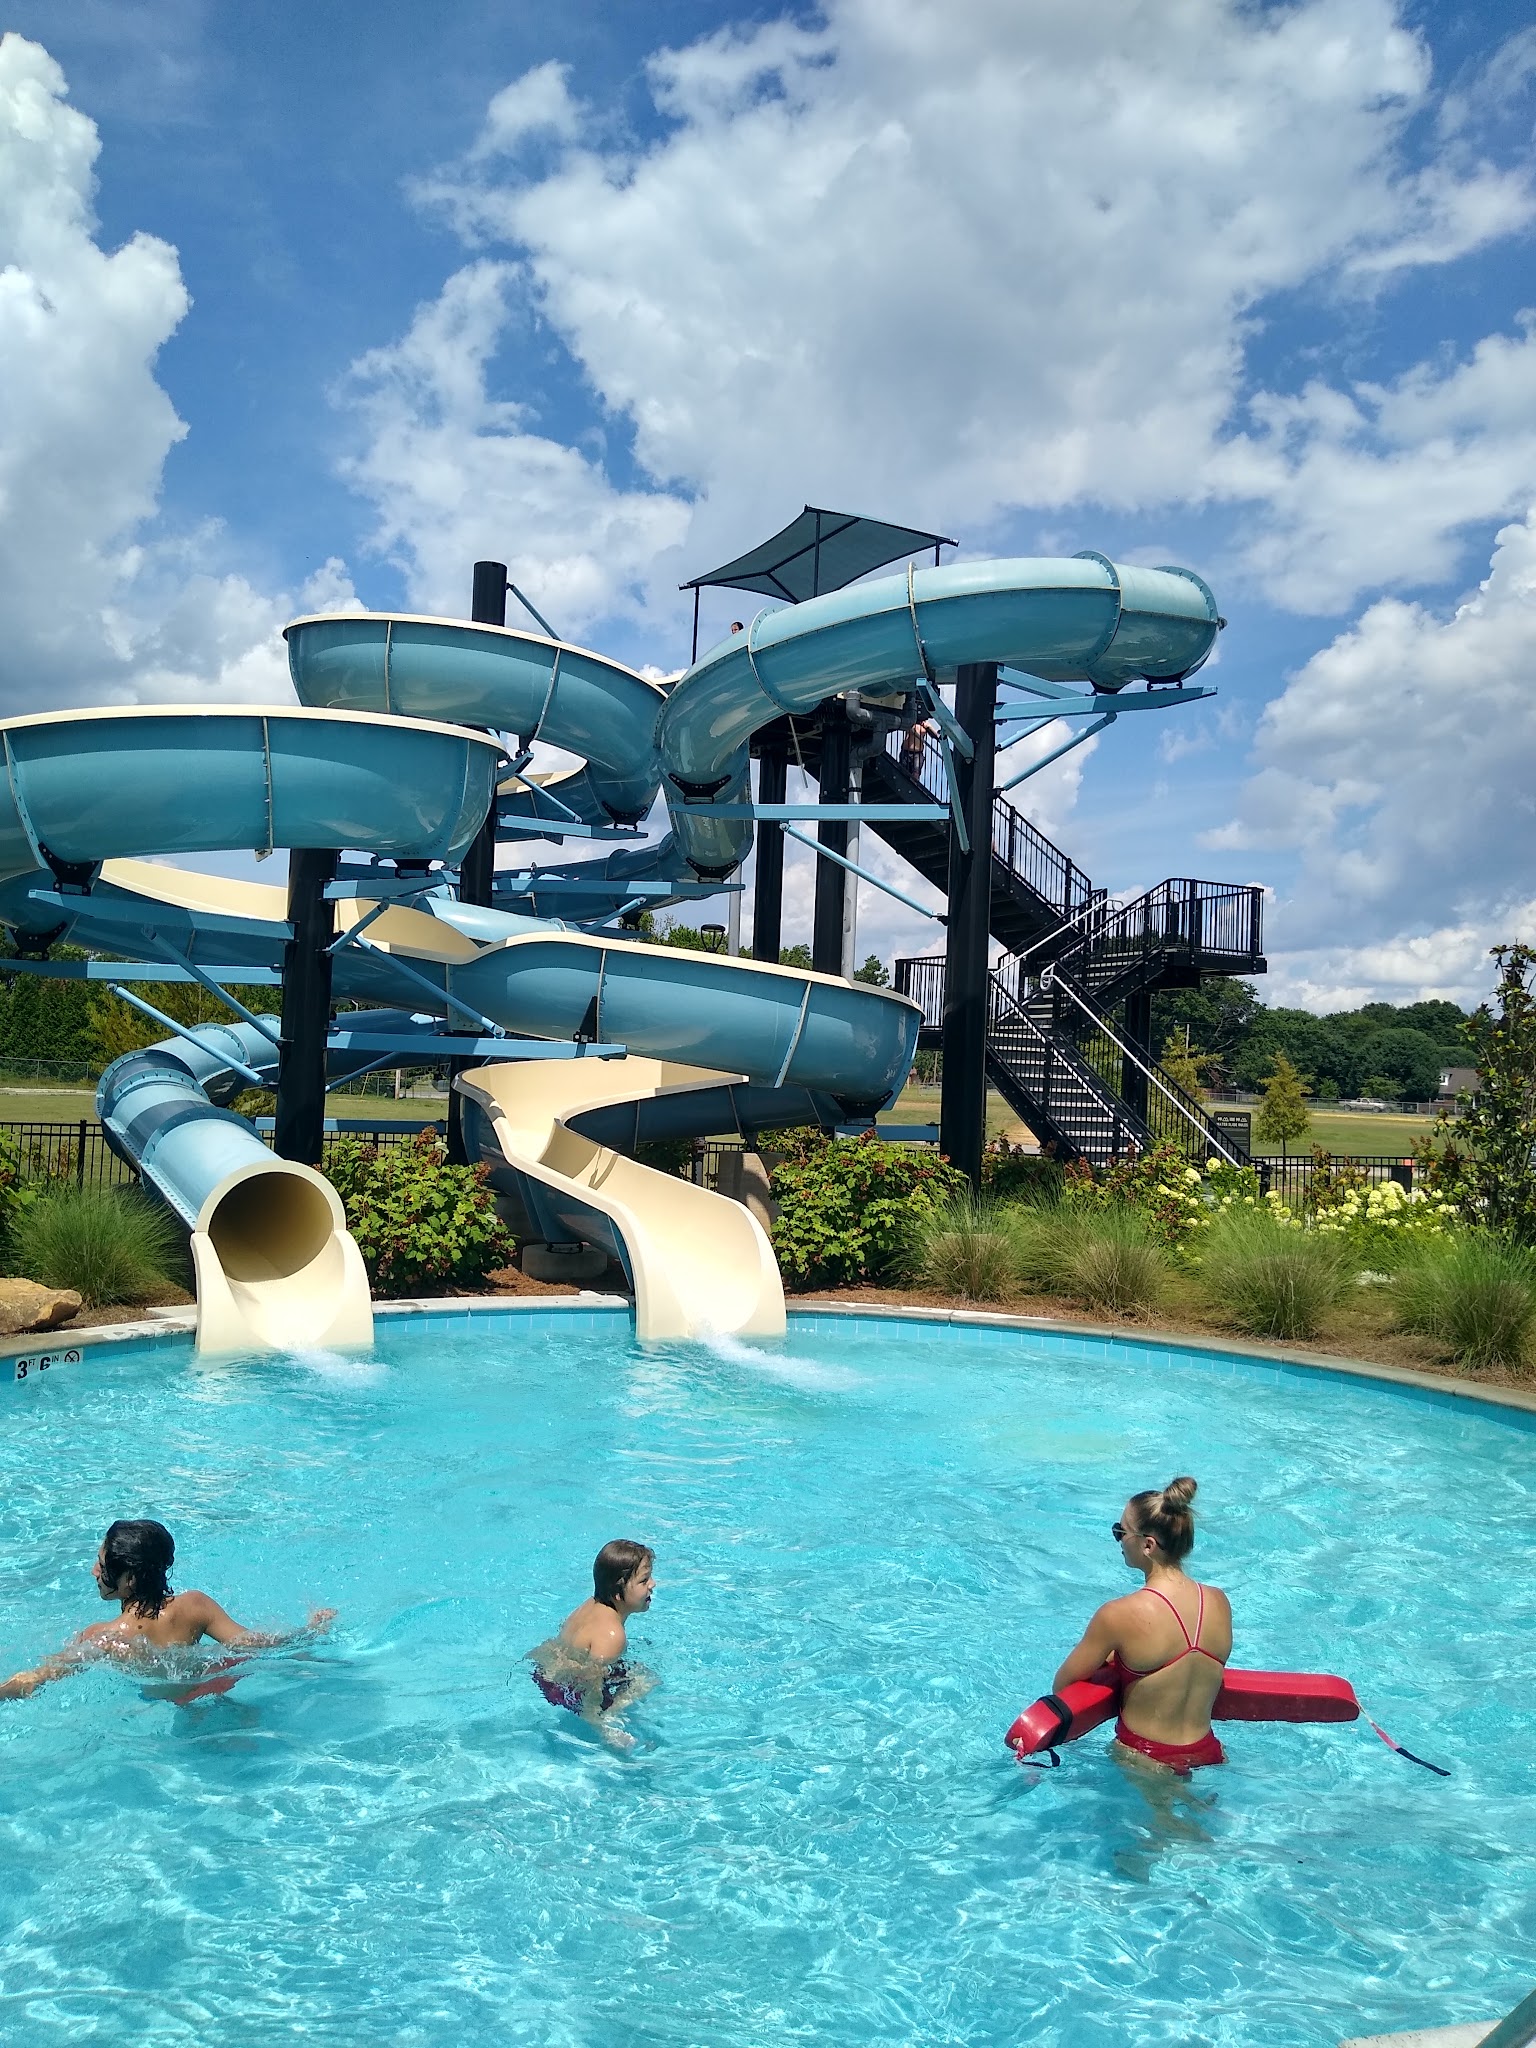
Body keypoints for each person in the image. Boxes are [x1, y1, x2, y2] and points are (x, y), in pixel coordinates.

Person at [0, 1519, 335, 1701]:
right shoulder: (193, 1605)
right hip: (217, 1685)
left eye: (102, 1565)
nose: (93, 1572)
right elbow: (254, 1643)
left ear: (130, 1578)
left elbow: (39, 1679)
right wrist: (310, 1632)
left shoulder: (102, 1637)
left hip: (168, 1704)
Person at [1051, 1476, 1231, 1773]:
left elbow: (1063, 1686)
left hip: (1145, 1758)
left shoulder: (1118, 1615)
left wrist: (1115, 1660)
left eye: (1120, 1532)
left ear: (1148, 1545)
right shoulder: (1219, 1602)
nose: (1118, 1539)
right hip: (1209, 1750)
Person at [530, 1538, 655, 1724]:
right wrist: (599, 1723)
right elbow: (592, 1684)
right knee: (645, 1680)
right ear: (617, 1593)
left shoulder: (590, 1604)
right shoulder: (613, 1634)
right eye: (644, 1581)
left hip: (546, 1675)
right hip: (568, 1693)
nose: (652, 1584)